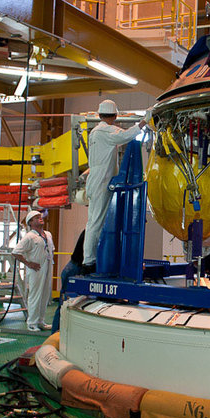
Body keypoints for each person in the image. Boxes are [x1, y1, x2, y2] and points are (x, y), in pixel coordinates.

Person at [82, 100, 147, 273]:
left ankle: (93, 257)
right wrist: (143, 122)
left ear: (100, 114)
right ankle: (89, 261)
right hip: (101, 180)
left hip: (97, 179)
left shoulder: (96, 132)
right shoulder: (105, 131)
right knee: (96, 221)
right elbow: (125, 136)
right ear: (115, 115)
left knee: (96, 220)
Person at [12, 210, 55, 331]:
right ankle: (31, 323)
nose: (40, 218)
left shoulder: (48, 234)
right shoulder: (29, 237)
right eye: (36, 218)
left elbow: (51, 250)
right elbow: (15, 252)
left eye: (40, 216)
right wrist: (28, 263)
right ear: (30, 222)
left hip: (47, 267)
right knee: (35, 295)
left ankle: (40, 321)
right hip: (35, 270)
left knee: (45, 295)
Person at [51, 230, 84, 333]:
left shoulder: (92, 229)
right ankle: (55, 333)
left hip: (74, 268)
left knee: (66, 304)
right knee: (64, 304)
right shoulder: (92, 231)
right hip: (74, 269)